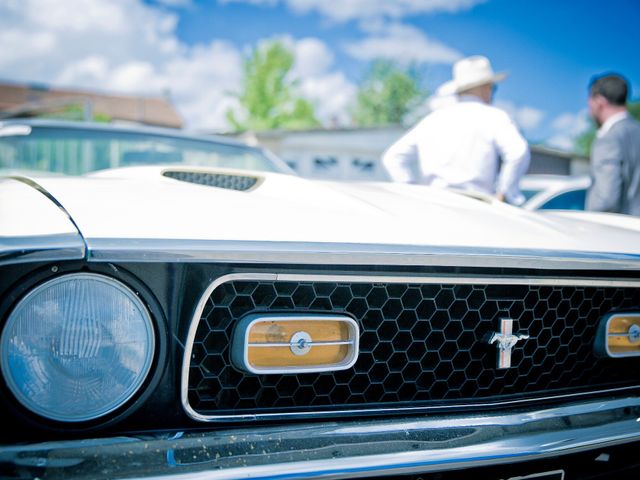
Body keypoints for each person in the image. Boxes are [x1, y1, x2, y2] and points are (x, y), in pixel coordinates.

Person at [382, 55, 530, 204]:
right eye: (493, 88)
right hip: (477, 204)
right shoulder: (494, 117)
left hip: (433, 202)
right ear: (486, 88)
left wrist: (411, 190)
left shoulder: (432, 120)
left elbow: (393, 157)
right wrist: (504, 193)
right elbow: (518, 152)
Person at [585, 73, 640, 215]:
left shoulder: (608, 138)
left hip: (616, 232)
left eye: (590, 102)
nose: (589, 109)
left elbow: (606, 199)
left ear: (599, 102)